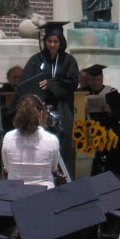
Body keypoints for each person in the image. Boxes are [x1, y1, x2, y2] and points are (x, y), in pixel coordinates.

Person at [16, 21, 79, 174]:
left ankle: (63, 177)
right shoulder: (35, 60)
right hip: (40, 108)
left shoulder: (68, 61)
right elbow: (25, 84)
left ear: (60, 42)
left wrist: (53, 84)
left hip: (62, 108)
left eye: (56, 41)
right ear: (44, 42)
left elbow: (72, 84)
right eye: (49, 41)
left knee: (62, 142)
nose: (52, 45)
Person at [1, 95, 60, 189]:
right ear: (41, 114)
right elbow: (54, 168)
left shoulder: (8, 137)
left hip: (15, 195)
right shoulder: (52, 140)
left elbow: (7, 168)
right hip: (45, 194)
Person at [82, 64, 120, 176]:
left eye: (98, 80)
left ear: (102, 79)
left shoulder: (111, 92)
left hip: (108, 125)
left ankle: (114, 170)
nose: (96, 82)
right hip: (89, 126)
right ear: (89, 80)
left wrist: (110, 111)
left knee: (119, 133)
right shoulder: (82, 92)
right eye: (93, 80)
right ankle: (88, 170)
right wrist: (83, 111)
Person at [0, 65, 22, 129]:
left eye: (19, 77)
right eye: (14, 77)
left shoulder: (28, 91)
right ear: (9, 79)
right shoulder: (0, 92)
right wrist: (5, 107)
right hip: (6, 126)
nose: (17, 80)